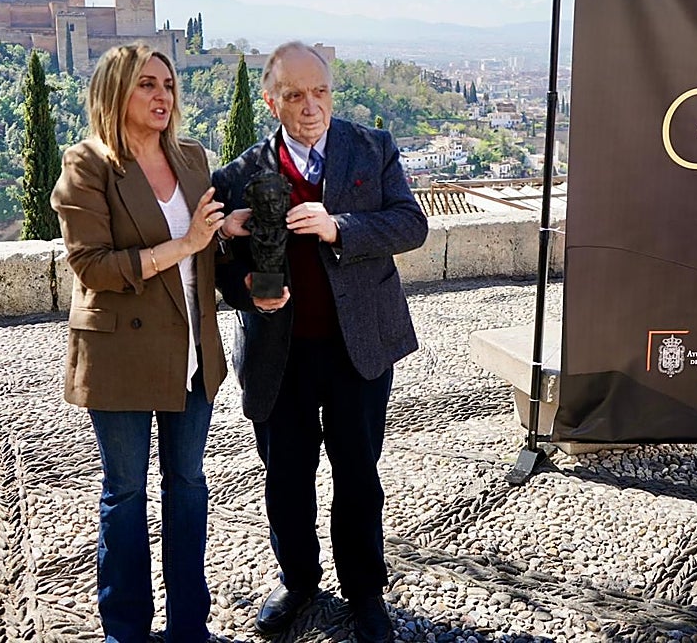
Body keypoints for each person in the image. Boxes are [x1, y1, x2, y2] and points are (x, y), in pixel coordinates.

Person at [212, 41, 428, 643]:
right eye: (295, 95)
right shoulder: (239, 175)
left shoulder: (374, 148)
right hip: (279, 354)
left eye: (320, 92)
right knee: (285, 474)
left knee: (358, 473)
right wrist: (247, 289)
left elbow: (411, 224)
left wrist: (341, 228)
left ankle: (365, 593)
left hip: (357, 348)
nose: (311, 107)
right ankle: (299, 580)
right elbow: (219, 262)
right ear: (271, 100)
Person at [51, 42, 229, 643]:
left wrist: (231, 240)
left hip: (191, 352)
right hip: (121, 352)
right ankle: (125, 631)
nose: (162, 96)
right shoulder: (87, 165)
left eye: (168, 85)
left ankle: (189, 628)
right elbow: (91, 266)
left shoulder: (193, 158)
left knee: (188, 488)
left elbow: (208, 250)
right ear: (116, 92)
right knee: (125, 494)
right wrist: (182, 246)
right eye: (146, 84)